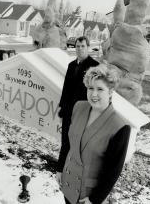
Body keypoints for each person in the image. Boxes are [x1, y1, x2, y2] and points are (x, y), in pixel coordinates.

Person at [56, 64, 131, 204]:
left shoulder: (120, 127)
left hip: (88, 194)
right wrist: (60, 168)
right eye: (90, 88)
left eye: (100, 89)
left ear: (110, 92)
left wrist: (95, 199)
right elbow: (68, 142)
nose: (93, 94)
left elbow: (113, 171)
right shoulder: (78, 107)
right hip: (68, 182)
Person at [57, 36, 99, 171]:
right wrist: (62, 107)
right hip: (69, 109)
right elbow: (66, 88)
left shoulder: (94, 66)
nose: (80, 49)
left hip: (83, 111)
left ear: (88, 47)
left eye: (83, 46)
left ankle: (75, 168)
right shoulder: (71, 65)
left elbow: (95, 92)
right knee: (65, 140)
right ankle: (61, 167)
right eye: (78, 46)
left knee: (78, 141)